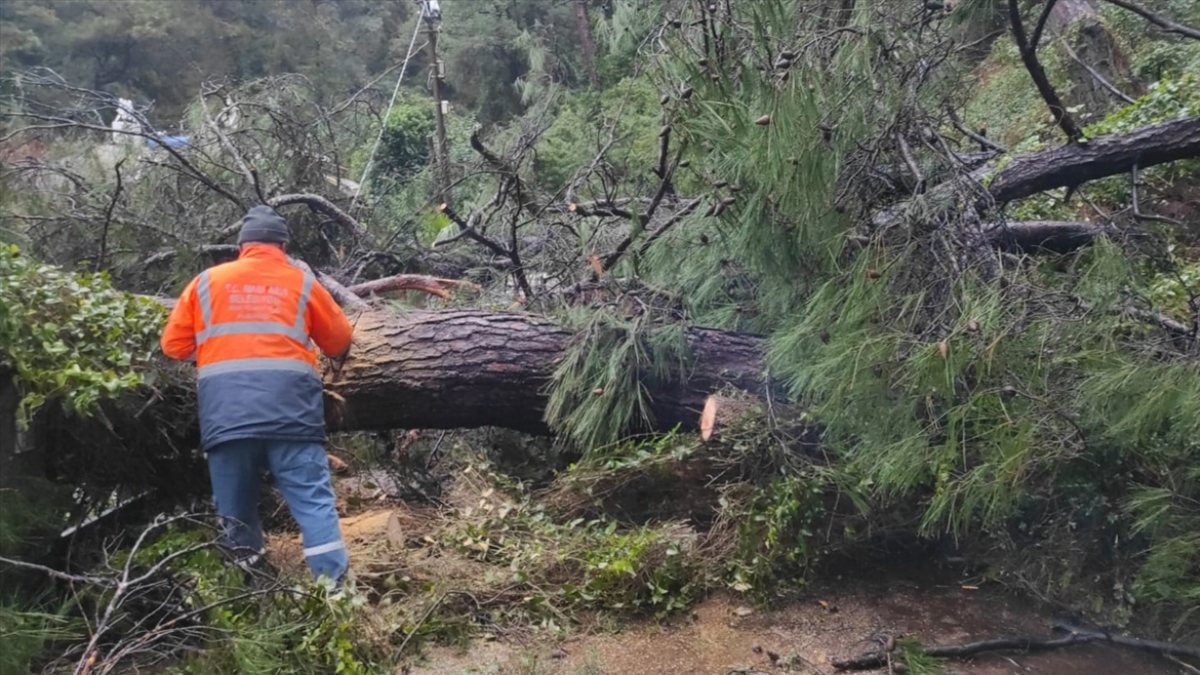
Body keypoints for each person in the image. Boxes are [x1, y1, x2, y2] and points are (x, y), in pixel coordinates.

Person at [161, 205, 353, 585]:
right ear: (282, 245)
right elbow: (339, 341)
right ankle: (337, 599)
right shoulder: (300, 283)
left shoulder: (205, 283)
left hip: (226, 418)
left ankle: (254, 598)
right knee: (314, 506)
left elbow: (174, 346)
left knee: (236, 514)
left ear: (242, 246)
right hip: (292, 417)